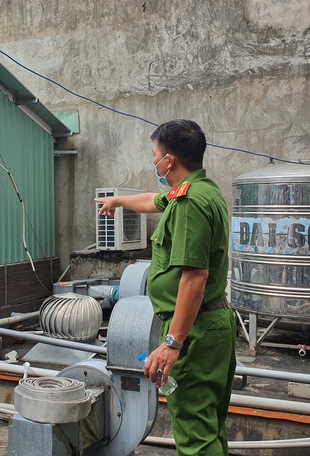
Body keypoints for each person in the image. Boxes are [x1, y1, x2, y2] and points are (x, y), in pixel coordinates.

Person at [96, 119, 236, 456]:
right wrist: (119, 201)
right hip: (212, 327)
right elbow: (152, 200)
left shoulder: (189, 204)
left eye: (155, 155)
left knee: (194, 435)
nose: (153, 161)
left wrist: (172, 343)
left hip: (194, 334)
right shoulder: (202, 191)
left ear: (168, 160)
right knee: (208, 426)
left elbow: (194, 277)